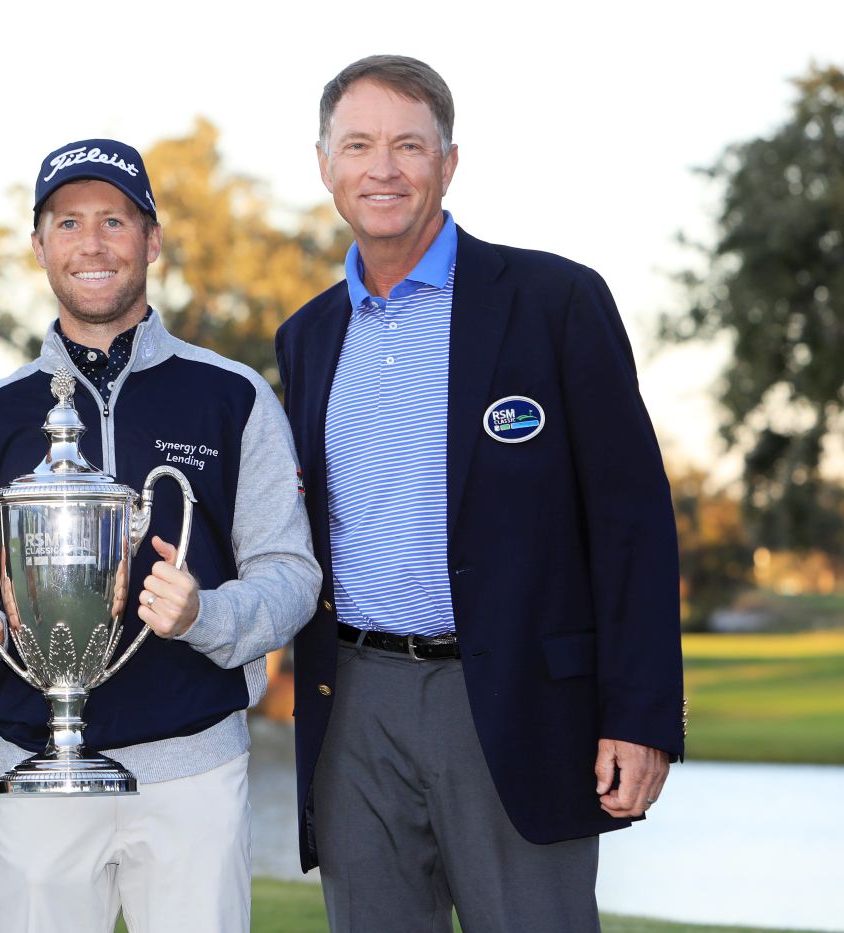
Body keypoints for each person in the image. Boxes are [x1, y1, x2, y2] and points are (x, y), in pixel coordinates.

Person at [275, 55, 686, 932]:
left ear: (448, 163)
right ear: (325, 167)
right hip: (354, 706)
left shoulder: (554, 301)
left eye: (407, 146)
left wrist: (643, 714)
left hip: (515, 701)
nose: (382, 168)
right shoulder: (307, 336)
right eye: (357, 145)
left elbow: (633, 521)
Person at [0, 138, 321, 933]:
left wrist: (203, 614)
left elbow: (292, 574)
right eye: (68, 223)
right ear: (39, 246)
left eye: (115, 220)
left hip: (194, 771)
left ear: (154, 239)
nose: (93, 243)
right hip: (39, 775)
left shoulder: (233, 398)